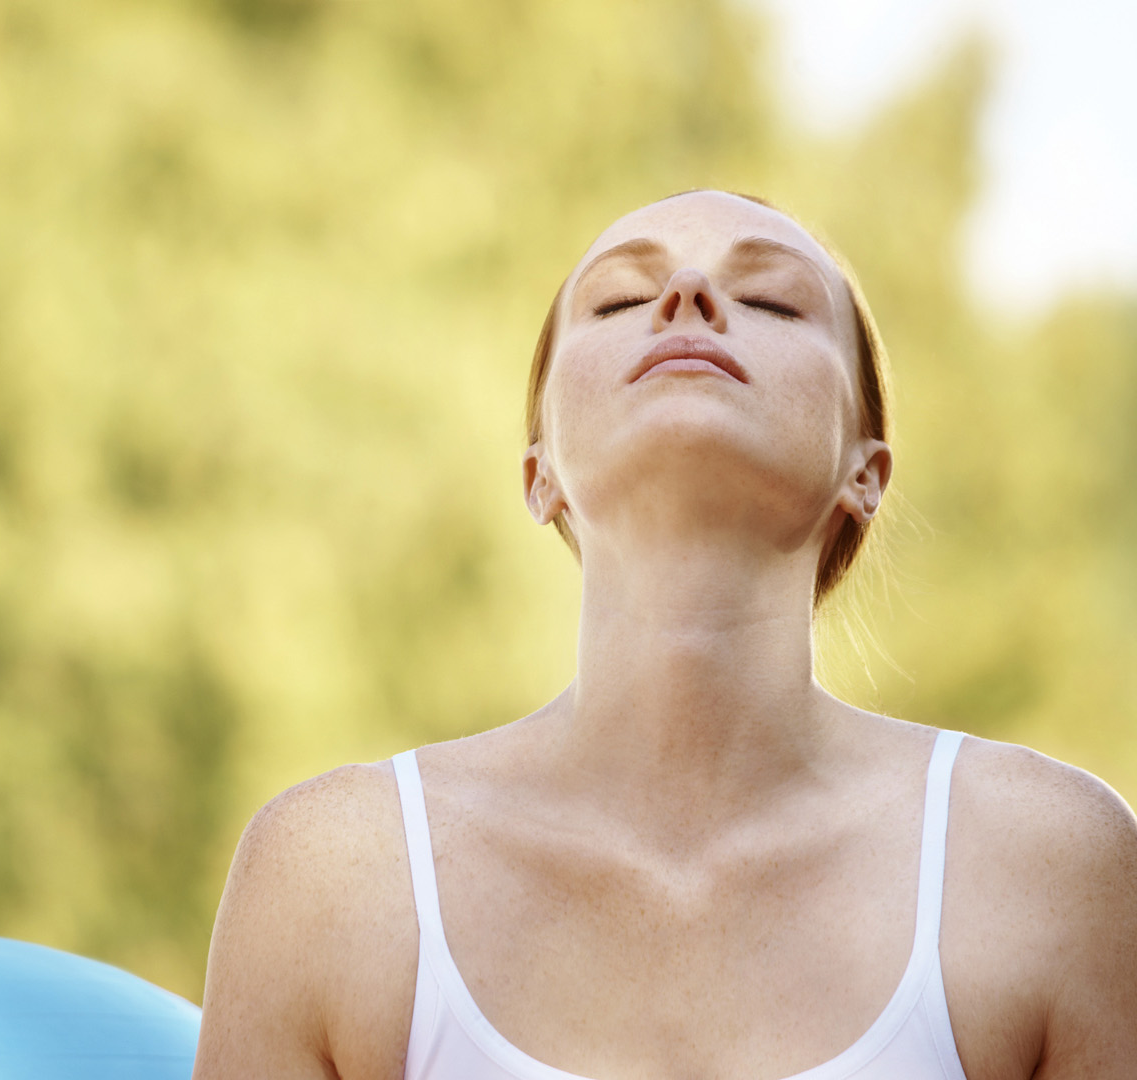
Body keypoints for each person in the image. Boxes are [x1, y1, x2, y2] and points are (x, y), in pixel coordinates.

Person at [191, 191, 1137, 1079]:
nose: (688, 297)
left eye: (770, 298)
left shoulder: (1053, 866)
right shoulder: (331, 877)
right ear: (540, 472)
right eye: (621, 300)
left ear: (867, 472)